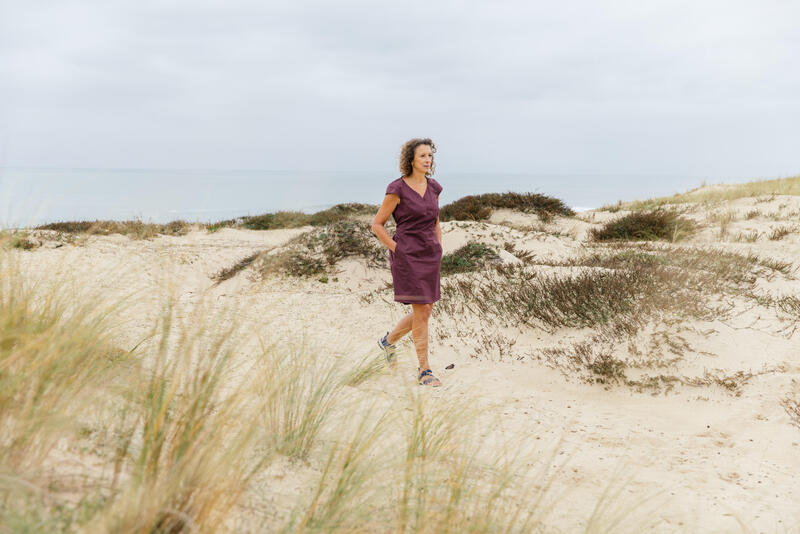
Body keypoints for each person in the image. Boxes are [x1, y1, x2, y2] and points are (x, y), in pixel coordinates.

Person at [371, 138, 444, 387]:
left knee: (425, 311)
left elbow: (435, 222)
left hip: (430, 255)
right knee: (421, 311)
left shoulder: (434, 187)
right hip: (408, 256)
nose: (427, 160)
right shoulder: (397, 189)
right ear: (411, 160)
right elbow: (377, 225)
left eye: (430, 156)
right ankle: (425, 370)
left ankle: (387, 342)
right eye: (422, 156)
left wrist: (439, 247)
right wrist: (397, 249)